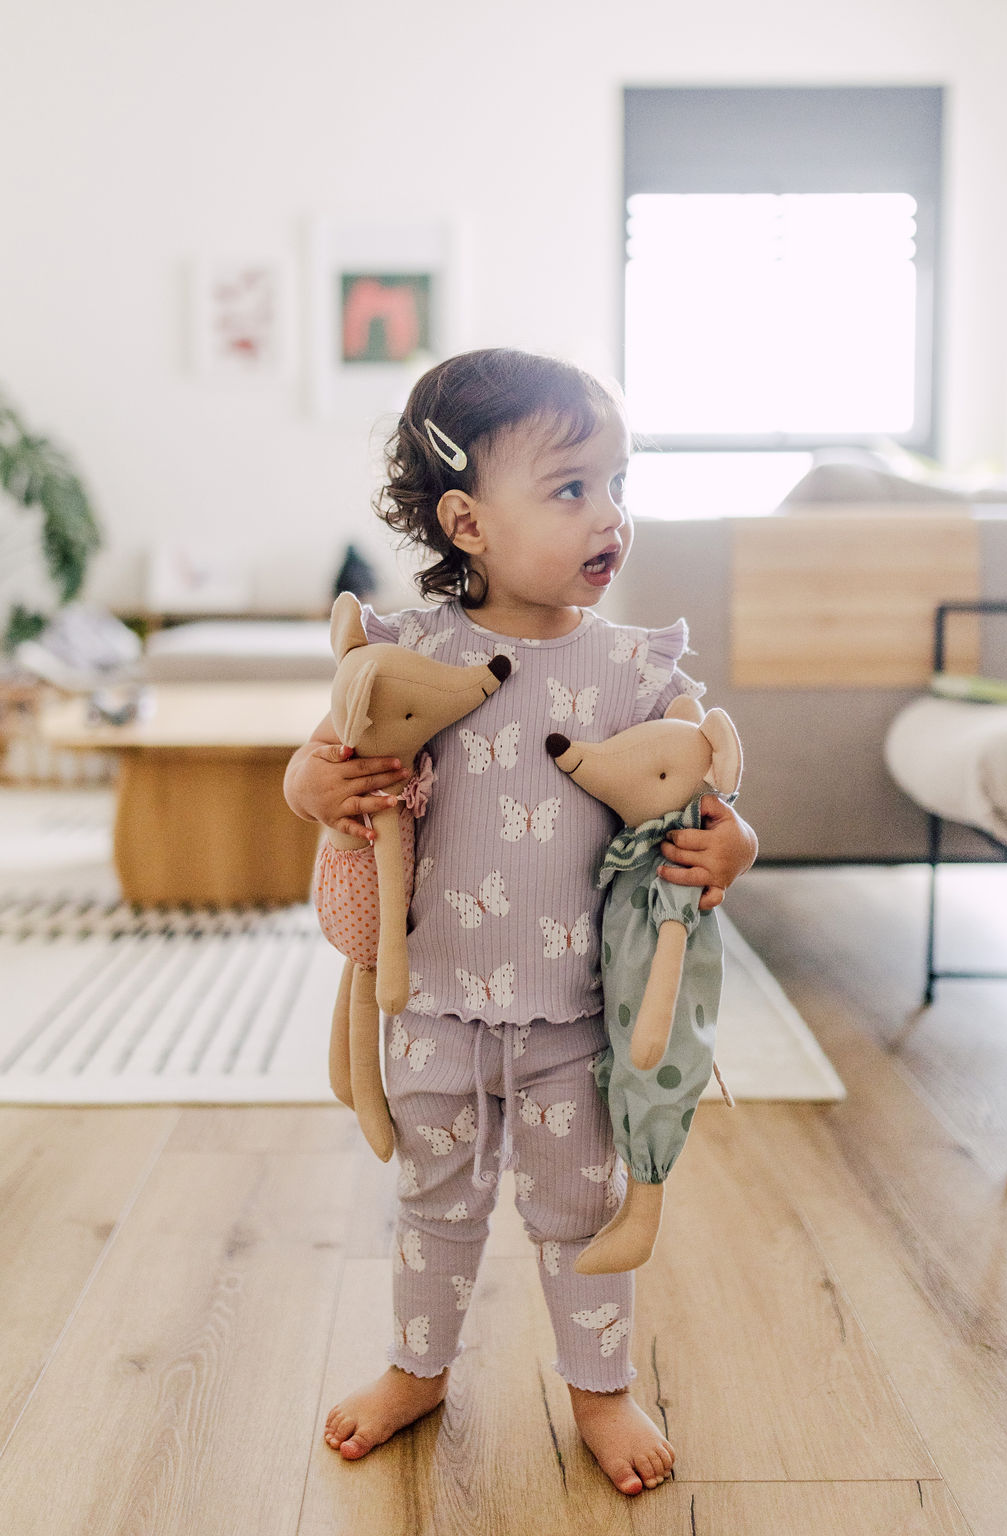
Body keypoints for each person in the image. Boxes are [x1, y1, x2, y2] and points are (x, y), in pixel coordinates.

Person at [284, 348, 757, 1497]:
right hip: (433, 1001)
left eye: (618, 484)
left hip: (572, 1019)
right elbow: (323, 757)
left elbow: (697, 789)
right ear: (467, 521)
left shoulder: (634, 670)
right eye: (570, 488)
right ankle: (417, 1367)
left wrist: (731, 842)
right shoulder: (415, 655)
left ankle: (599, 1390)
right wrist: (316, 788)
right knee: (432, 1202)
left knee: (579, 1214)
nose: (611, 517)